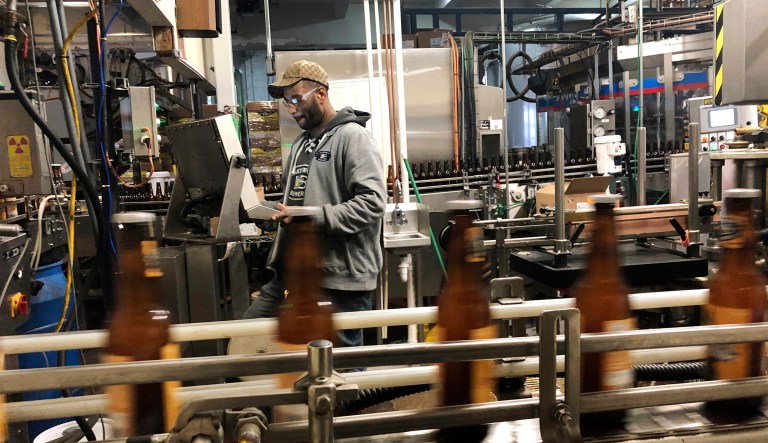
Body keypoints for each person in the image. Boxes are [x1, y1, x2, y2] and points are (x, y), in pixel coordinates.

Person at [243, 60, 386, 347]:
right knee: (246, 339)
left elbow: (372, 202)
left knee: (341, 368)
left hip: (340, 278)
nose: (292, 108)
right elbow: (295, 200)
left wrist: (312, 217)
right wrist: (265, 209)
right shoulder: (300, 144)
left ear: (320, 94)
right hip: (296, 272)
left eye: (296, 99)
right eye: (287, 103)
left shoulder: (353, 138)